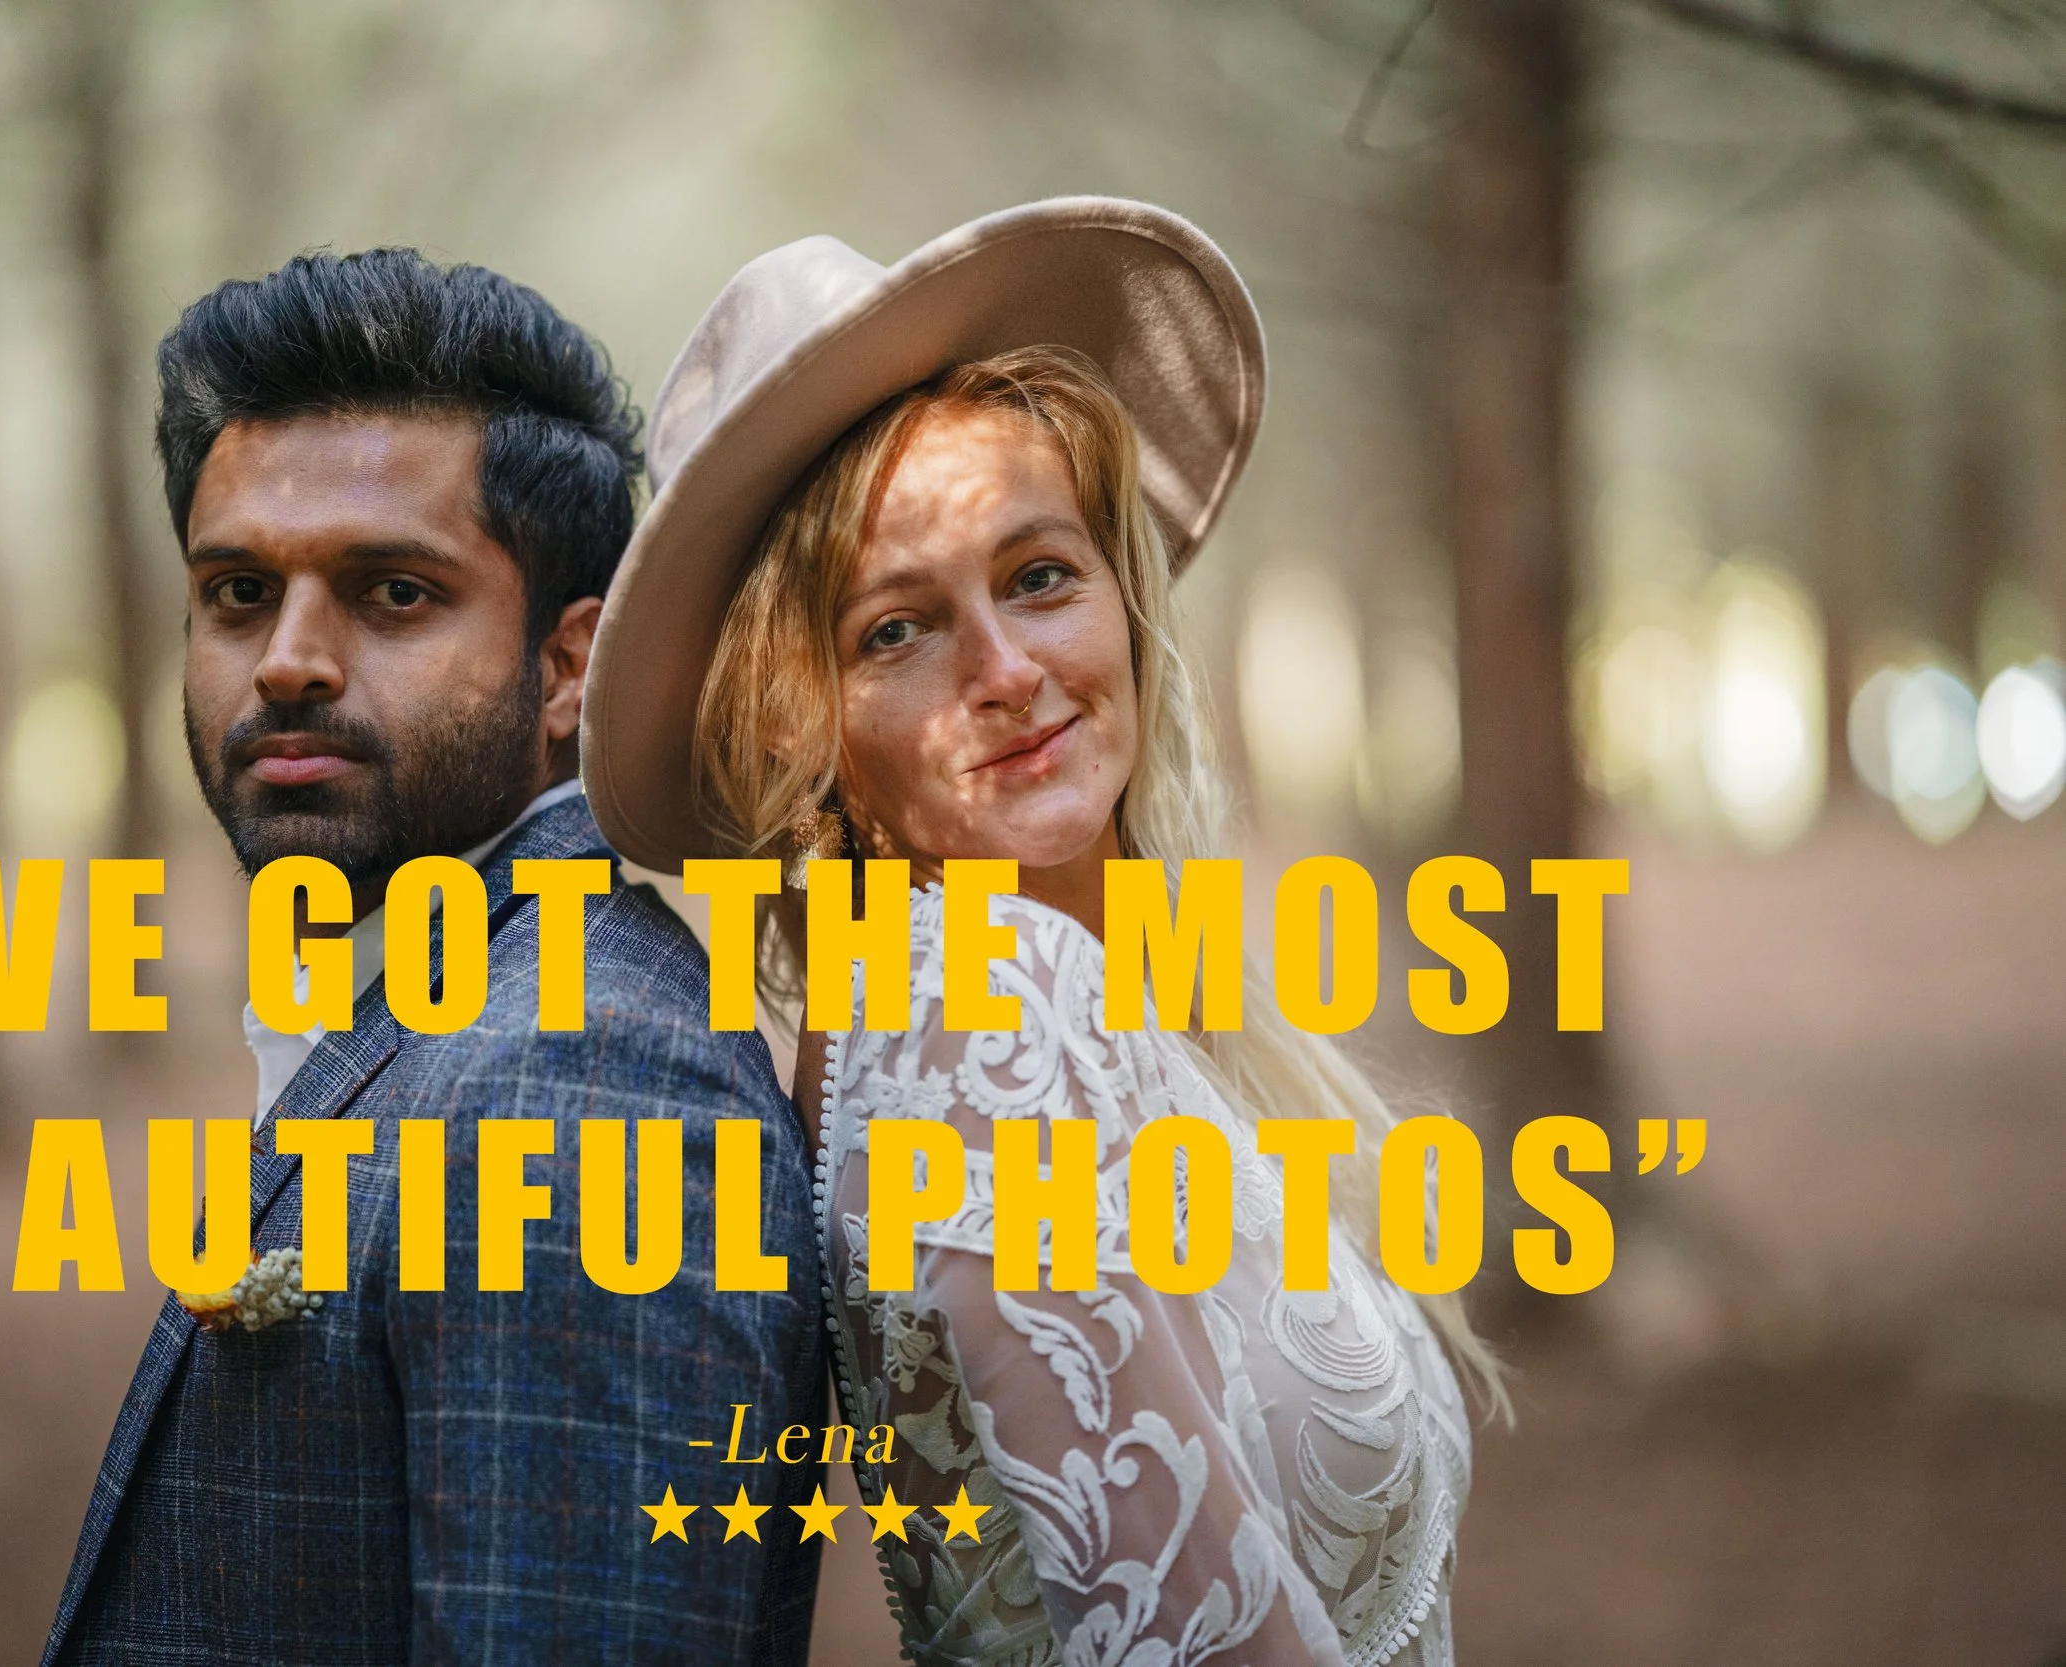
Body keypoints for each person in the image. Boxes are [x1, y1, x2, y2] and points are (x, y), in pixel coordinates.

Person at [582, 199, 1505, 1666]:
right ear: (805, 732)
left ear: (1124, 607)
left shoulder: (996, 998)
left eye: (1039, 577)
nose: (1008, 671)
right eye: (898, 628)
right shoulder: (980, 1008)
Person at [42, 248, 829, 1666]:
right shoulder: (443, 1006)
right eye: (234, 593)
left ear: (567, 666)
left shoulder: (587, 1082)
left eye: (392, 591)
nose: (287, 658)